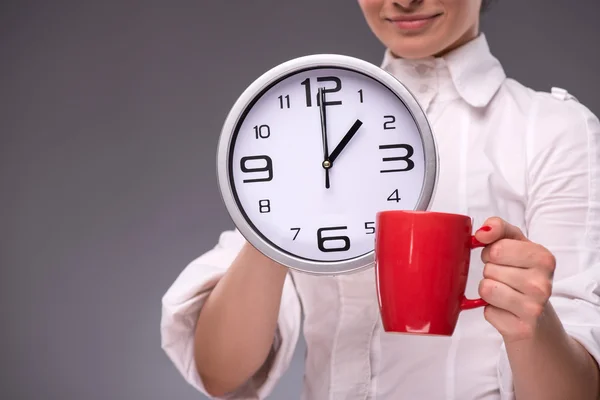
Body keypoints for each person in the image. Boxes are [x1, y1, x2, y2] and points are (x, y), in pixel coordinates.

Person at [161, 0, 600, 399]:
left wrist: (532, 325)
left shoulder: (552, 131)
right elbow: (221, 373)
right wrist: (277, 220)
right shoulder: (295, 115)